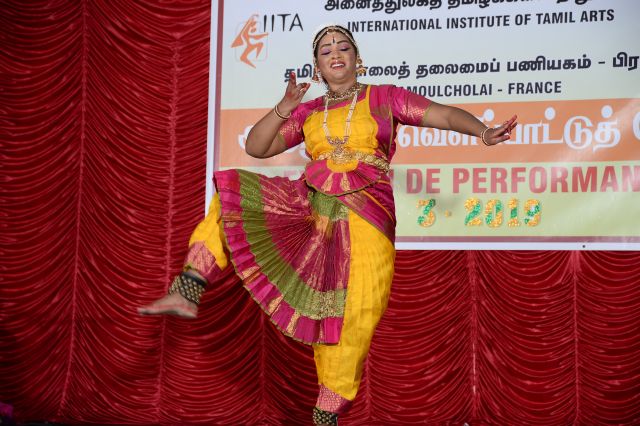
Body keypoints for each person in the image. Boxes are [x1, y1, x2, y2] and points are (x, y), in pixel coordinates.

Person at [139, 24, 516, 425]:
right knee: (233, 194)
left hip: (367, 214)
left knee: (353, 313)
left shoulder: (384, 98)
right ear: (317, 66)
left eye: (343, 47)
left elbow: (443, 114)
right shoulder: (308, 112)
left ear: (357, 57)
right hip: (311, 211)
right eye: (325, 50)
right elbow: (257, 147)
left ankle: (326, 417)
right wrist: (284, 106)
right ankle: (189, 286)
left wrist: (483, 132)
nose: (335, 53)